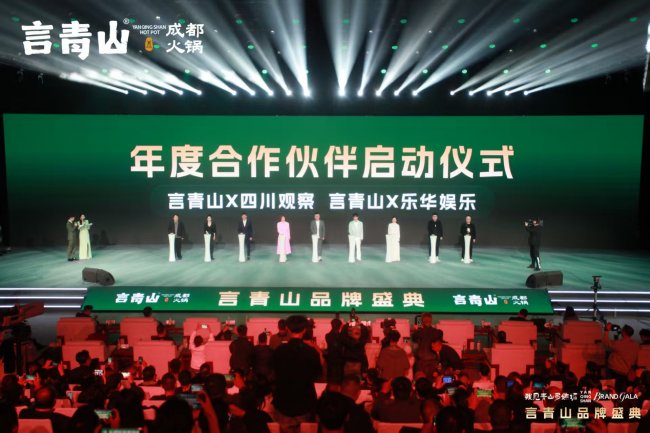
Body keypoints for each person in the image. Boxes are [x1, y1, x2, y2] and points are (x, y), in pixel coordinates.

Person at [272, 315, 322, 433]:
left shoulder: (279, 351)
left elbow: (274, 372)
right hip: (305, 403)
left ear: (287, 329)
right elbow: (317, 374)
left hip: (283, 403)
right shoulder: (311, 352)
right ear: (304, 330)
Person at [603, 323, 639, 392]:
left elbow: (606, 342)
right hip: (627, 371)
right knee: (624, 390)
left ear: (624, 332)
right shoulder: (636, 344)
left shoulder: (619, 343)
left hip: (616, 370)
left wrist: (607, 330)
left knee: (613, 389)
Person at [411, 312, 438, 377]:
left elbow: (414, 340)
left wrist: (415, 331)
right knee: (432, 380)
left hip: (421, 362)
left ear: (422, 321)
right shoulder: (437, 332)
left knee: (421, 379)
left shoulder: (418, 333)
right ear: (431, 320)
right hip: (433, 361)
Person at [325, 319, 344, 383]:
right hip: (339, 359)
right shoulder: (341, 336)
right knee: (339, 378)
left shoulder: (328, 336)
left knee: (331, 378)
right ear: (340, 326)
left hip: (331, 359)